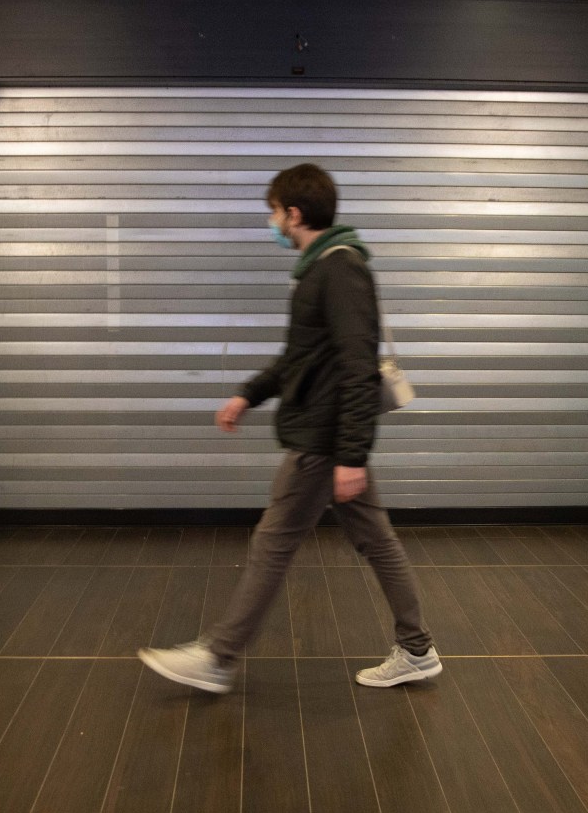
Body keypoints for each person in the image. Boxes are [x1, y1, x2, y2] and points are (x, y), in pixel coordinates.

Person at [138, 163, 440, 693]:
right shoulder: (320, 268)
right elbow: (300, 359)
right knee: (378, 542)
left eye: (273, 213)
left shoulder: (339, 269)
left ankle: (218, 656)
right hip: (328, 436)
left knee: (273, 544)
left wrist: (350, 454)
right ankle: (416, 648)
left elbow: (356, 366)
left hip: (322, 443)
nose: (272, 223)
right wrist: (247, 393)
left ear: (293, 213)